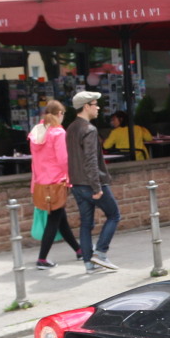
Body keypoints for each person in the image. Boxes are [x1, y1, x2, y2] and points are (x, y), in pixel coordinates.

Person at [67, 91, 120, 273]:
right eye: (95, 104)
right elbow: (90, 160)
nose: (98, 108)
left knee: (86, 223)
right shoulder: (89, 129)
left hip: (77, 183)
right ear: (86, 106)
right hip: (92, 183)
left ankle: (89, 264)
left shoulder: (71, 128)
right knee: (114, 215)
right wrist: (97, 188)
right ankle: (100, 253)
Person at [29, 100, 80, 270]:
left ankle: (79, 250)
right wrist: (70, 178)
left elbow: (34, 163)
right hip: (57, 182)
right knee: (54, 219)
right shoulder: (58, 133)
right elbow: (63, 159)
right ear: (60, 114)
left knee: (60, 219)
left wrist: (34, 184)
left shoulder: (36, 132)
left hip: (42, 184)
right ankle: (42, 259)